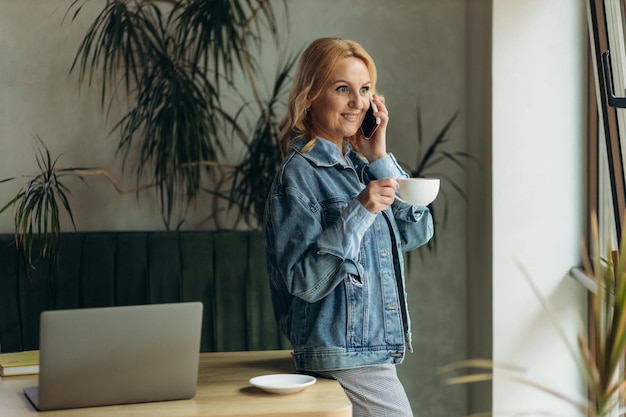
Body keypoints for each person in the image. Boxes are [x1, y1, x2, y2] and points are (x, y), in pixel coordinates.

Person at [263, 37, 434, 417]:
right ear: (310, 96)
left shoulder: (360, 168)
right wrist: (359, 210)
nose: (357, 102)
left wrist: (378, 156)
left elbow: (415, 233)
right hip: (342, 354)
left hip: (367, 351)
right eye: (343, 89)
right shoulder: (299, 176)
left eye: (365, 89)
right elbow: (304, 282)